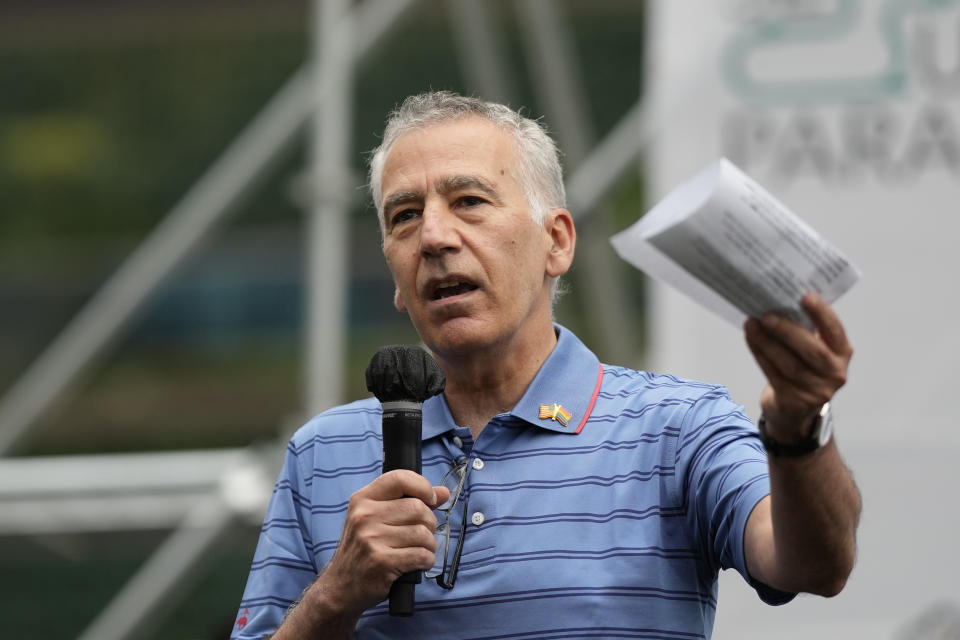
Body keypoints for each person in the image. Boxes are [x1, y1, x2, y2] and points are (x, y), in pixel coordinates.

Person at [231, 91, 861, 639]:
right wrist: (333, 596)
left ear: (556, 242)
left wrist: (799, 429)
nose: (434, 237)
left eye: (469, 201)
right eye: (404, 217)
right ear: (395, 279)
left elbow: (813, 565)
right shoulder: (322, 454)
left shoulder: (678, 427)